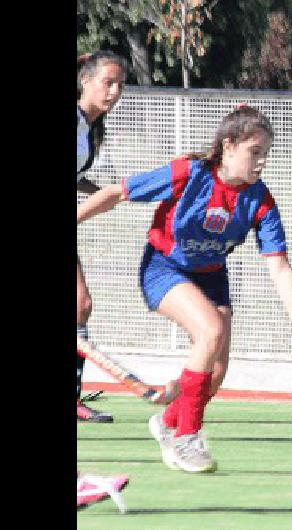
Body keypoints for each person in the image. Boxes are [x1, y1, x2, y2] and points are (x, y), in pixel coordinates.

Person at [76, 105, 292, 474]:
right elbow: (116, 192)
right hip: (164, 267)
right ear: (228, 146)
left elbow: (280, 267)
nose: (261, 163)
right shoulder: (189, 174)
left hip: (211, 276)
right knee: (211, 330)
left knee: (216, 370)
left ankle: (169, 421)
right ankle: (186, 438)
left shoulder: (260, 201)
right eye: (254, 153)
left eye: (265, 155)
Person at [77, 51, 128, 422]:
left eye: (120, 85)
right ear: (85, 81)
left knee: (79, 305)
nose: (114, 91)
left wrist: (99, 190)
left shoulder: (91, 128)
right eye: (107, 82)